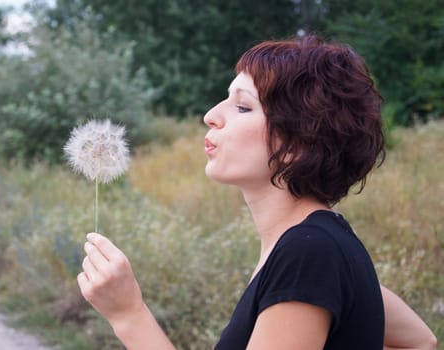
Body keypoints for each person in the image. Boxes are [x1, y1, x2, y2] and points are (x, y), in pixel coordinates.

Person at [77, 35, 437, 349]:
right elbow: (419, 342)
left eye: (243, 106)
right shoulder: (317, 249)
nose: (211, 115)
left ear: (300, 141)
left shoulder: (309, 254)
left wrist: (128, 314)